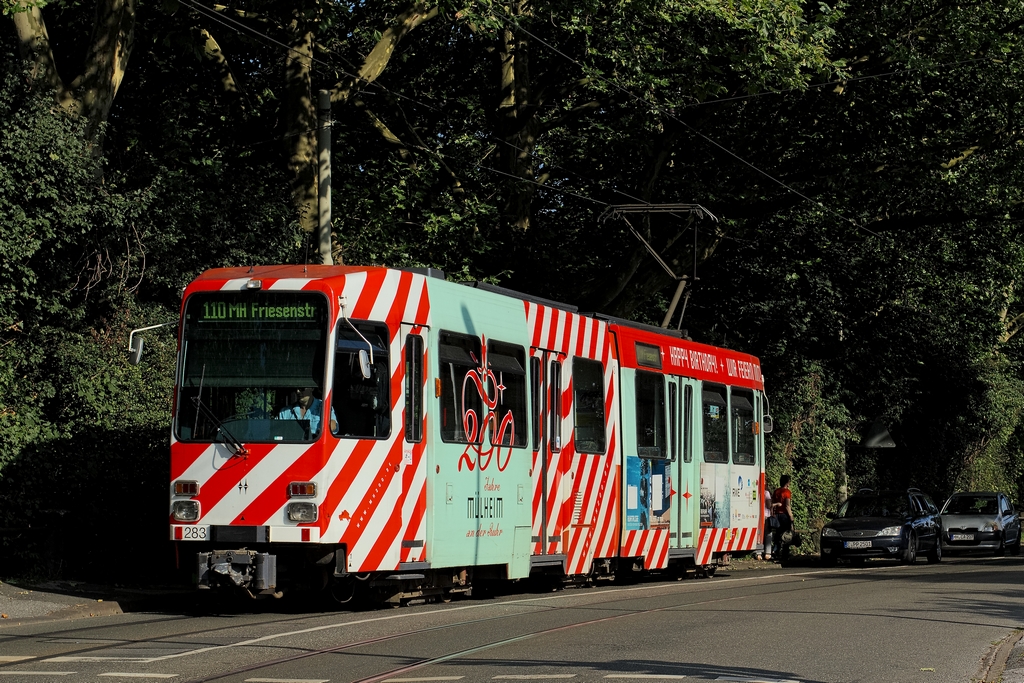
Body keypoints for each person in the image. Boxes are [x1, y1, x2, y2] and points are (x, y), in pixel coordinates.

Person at [773, 474, 795, 562]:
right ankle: (785, 554)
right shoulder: (787, 492)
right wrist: (791, 517)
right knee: (786, 535)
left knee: (777, 535)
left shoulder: (776, 491)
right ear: (787, 482)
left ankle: (776, 552)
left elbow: (773, 501)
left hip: (776, 515)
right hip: (784, 516)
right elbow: (787, 506)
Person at [755, 483, 773, 561]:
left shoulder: (756, 491)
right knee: (768, 534)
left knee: (759, 535)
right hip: (766, 516)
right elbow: (769, 505)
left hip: (757, 516)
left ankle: (758, 553)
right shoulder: (766, 493)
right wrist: (775, 504)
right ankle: (767, 553)